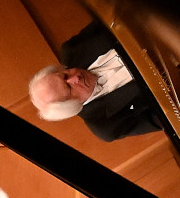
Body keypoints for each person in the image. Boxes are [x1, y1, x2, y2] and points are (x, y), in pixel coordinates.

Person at [28, 20, 162, 142]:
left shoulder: (72, 49)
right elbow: (164, 118)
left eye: (65, 75)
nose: (75, 77)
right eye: (69, 88)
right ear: (71, 105)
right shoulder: (105, 125)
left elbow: (112, 16)